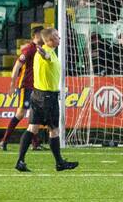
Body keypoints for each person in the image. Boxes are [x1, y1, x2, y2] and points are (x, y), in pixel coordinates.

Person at [15, 27, 78, 172]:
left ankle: (20, 161)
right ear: (49, 40)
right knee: (53, 130)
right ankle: (59, 162)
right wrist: (45, 55)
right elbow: (46, 57)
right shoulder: (46, 52)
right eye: (56, 35)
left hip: (38, 95)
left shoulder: (48, 51)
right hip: (47, 97)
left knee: (32, 128)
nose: (59, 37)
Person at [0, 26, 43, 152]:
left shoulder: (40, 49)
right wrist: (12, 85)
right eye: (42, 34)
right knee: (20, 113)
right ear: (35, 35)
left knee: (35, 114)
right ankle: (4, 140)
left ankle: (35, 143)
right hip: (26, 86)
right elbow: (17, 66)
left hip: (37, 86)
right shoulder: (29, 49)